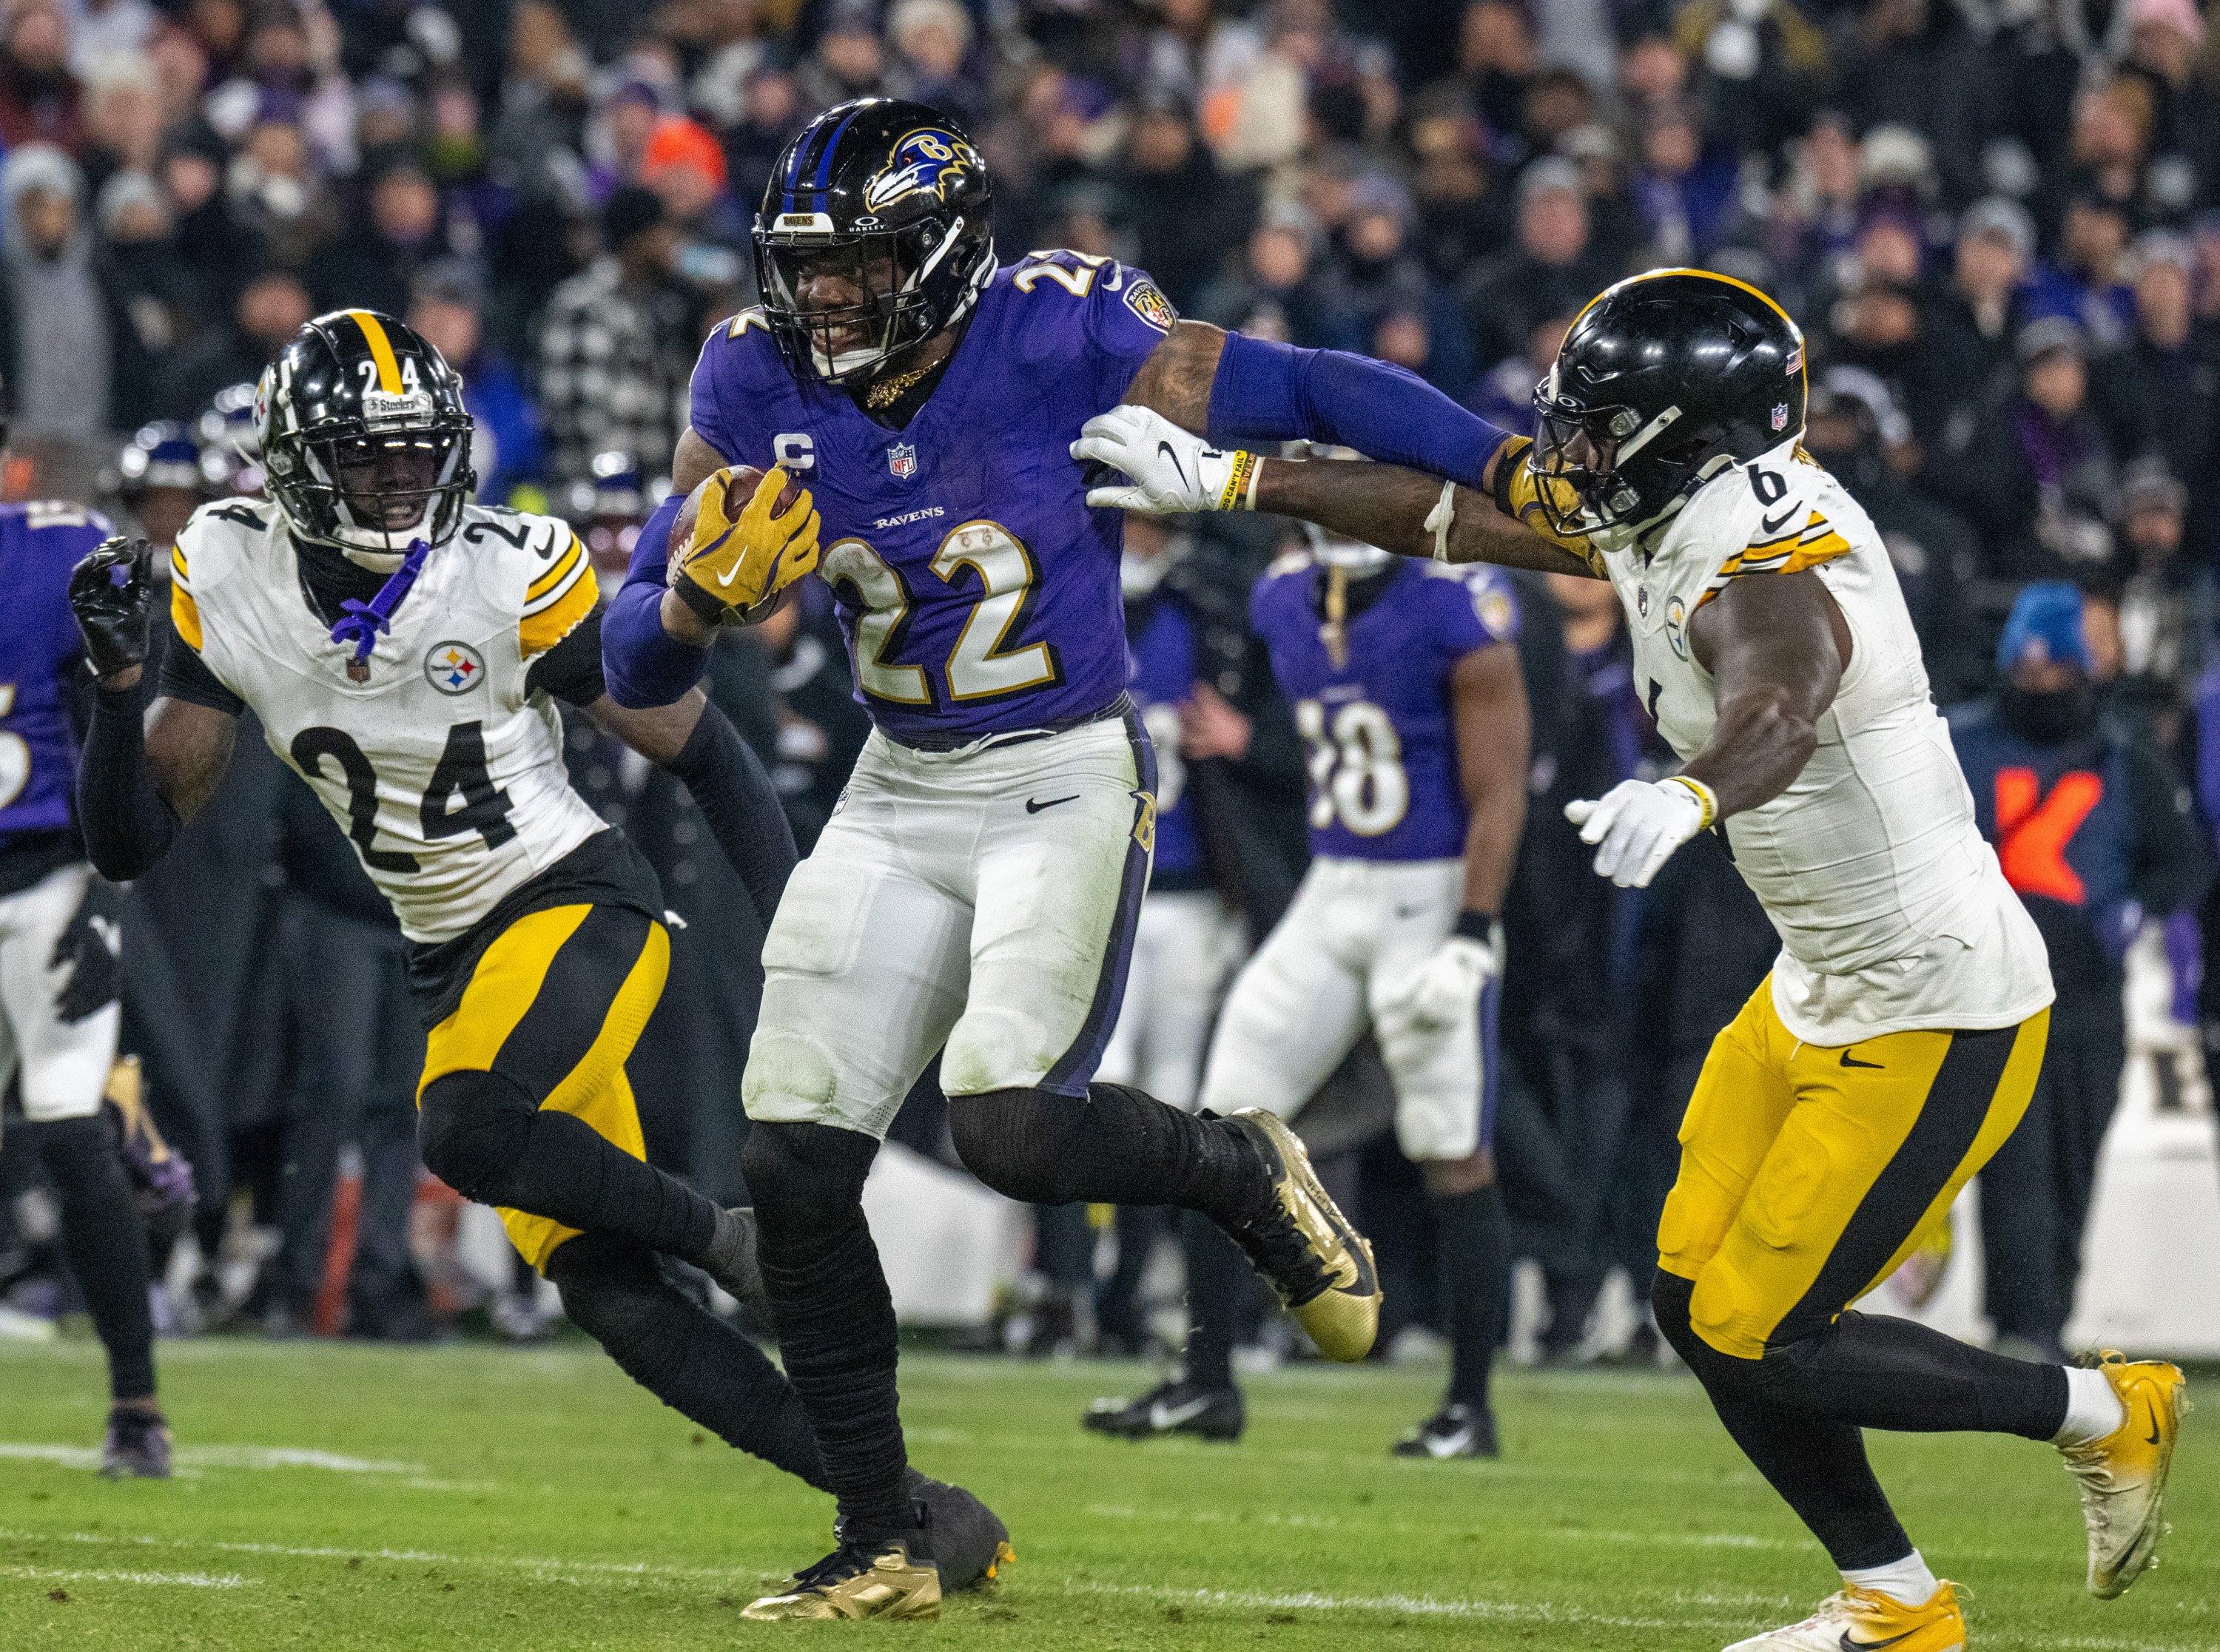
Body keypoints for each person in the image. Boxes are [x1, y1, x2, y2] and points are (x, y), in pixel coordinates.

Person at [1075, 268, 2187, 1650]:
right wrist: (1242, 479)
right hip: (1814, 983)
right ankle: (1893, 1601)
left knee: (1767, 1325)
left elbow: (1783, 682)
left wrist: (1698, 788)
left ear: (1685, 433)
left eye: (1598, 425)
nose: (1569, 450)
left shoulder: (1769, 551)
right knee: (1689, 1298)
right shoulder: (1662, 502)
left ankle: (2104, 1410)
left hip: (1939, 1000)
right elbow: (1454, 512)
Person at [66, 307, 1008, 1583]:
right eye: (371, 456)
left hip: (571, 899)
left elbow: (701, 746)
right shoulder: (226, 572)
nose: (405, 479)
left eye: (420, 451)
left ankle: (729, 1239)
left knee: (460, 1126)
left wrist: (804, 950)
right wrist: (120, 698)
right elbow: (129, 842)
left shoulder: (505, 568)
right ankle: (907, 1510)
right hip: (449, 953)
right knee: (605, 1289)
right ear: (295, 465)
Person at [599, 98, 1380, 1622]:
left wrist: (1496, 457)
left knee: (1012, 1128)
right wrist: (694, 600)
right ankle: (885, 1533)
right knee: (790, 1159)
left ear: (945, 256)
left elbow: (1298, 386)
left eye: (861, 263)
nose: (823, 295)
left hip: (1063, 769)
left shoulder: (1055, 327)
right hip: (900, 786)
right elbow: (633, 658)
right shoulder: (749, 377)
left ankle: (1236, 1167)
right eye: (805, 266)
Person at [1089, 509, 1526, 1456]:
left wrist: (1474, 930)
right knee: (1222, 1124)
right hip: (1334, 887)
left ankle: (1470, 1405)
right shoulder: (1281, 598)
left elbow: (1501, 787)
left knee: (1450, 1140)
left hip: (1429, 888)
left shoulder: (1456, 608)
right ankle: (1207, 1381)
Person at [1949, 584, 2212, 1363]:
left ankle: (2049, 1317)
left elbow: (2185, 858)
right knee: (2016, 1162)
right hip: (1991, 990)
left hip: (2088, 993)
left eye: (2051, 663)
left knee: (2073, 1158)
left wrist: (2136, 908)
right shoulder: (1964, 744)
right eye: (2024, 663)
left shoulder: (2124, 752)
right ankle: (2022, 1324)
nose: (2036, 676)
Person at [0, 399, 168, 1477]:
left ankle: (137, 1408)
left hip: (47, 874)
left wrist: (111, 898)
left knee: (69, 1128)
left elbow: (132, 728)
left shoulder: (56, 549)